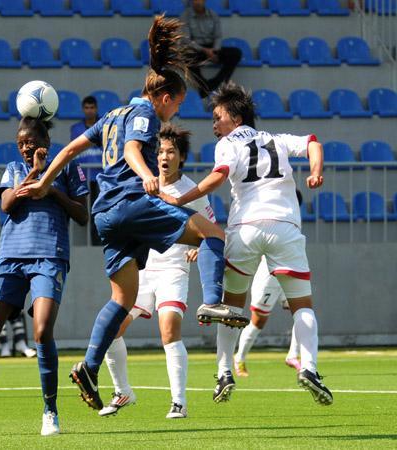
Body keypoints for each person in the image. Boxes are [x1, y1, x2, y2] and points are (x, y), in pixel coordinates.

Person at [18, 16, 249, 413]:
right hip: (131, 202)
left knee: (122, 298)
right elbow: (130, 151)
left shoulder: (111, 115)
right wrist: (146, 176)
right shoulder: (144, 115)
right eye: (177, 104)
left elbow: (70, 149)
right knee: (212, 233)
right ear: (164, 98)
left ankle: (89, 367)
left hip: (105, 213)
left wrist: (43, 184)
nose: (174, 112)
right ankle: (213, 301)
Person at [160, 82, 333, 406]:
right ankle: (309, 368)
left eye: (218, 117)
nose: (214, 124)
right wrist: (314, 172)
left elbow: (218, 176)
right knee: (302, 306)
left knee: (231, 307)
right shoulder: (277, 139)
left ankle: (224, 372)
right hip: (284, 227)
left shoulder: (228, 144)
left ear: (236, 119)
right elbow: (313, 142)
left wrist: (180, 199)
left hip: (245, 229)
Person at [0, 116, 89, 437]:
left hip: (49, 255)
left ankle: (50, 412)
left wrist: (51, 190)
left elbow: (82, 214)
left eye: (31, 142)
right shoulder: (14, 168)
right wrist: (35, 174)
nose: (25, 148)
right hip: (11, 257)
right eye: (21, 143)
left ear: (46, 142)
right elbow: (7, 204)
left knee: (41, 330)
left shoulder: (67, 166)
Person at [100, 124, 217, 419]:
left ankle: (179, 402)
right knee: (113, 328)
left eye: (171, 152)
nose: (164, 157)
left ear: (181, 157)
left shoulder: (192, 191)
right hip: (142, 270)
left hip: (173, 270)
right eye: (160, 151)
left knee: (168, 329)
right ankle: (122, 391)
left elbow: (213, 231)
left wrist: (200, 248)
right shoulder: (144, 183)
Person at [234, 190, 307, 377]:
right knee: (258, 321)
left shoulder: (293, 218)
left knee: (302, 311)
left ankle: (293, 355)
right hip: (269, 276)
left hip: (289, 271)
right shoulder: (270, 214)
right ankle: (239, 358)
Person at [181, 0, 242, 98]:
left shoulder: (213, 15)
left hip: (212, 48)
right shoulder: (185, 16)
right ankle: (203, 85)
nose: (197, 2)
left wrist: (215, 51)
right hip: (196, 49)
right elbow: (186, 40)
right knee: (186, 56)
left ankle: (215, 83)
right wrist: (205, 50)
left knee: (236, 53)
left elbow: (218, 36)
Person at [71, 95, 102, 245]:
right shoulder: (76, 129)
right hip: (85, 177)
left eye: (92, 107)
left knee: (101, 210)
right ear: (83, 109)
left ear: (96, 109)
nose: (89, 110)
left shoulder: (104, 125)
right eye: (87, 107)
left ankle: (100, 242)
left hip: (101, 176)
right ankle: (94, 243)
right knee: (89, 211)